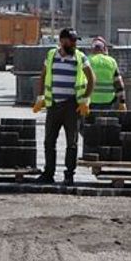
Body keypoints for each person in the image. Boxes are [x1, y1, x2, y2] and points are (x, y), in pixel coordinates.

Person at [33, 28, 96, 185]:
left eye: (75, 40)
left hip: (71, 106)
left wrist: (85, 100)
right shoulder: (51, 55)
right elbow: (42, 77)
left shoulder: (80, 57)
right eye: (71, 40)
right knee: (49, 141)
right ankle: (49, 174)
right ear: (62, 40)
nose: (74, 43)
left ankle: (69, 175)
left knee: (71, 143)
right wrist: (40, 98)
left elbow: (91, 78)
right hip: (53, 105)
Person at [87, 36, 126, 112]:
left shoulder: (87, 61)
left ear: (92, 49)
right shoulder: (112, 61)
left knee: (91, 122)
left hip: (91, 100)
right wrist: (122, 102)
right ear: (104, 49)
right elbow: (118, 84)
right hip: (108, 100)